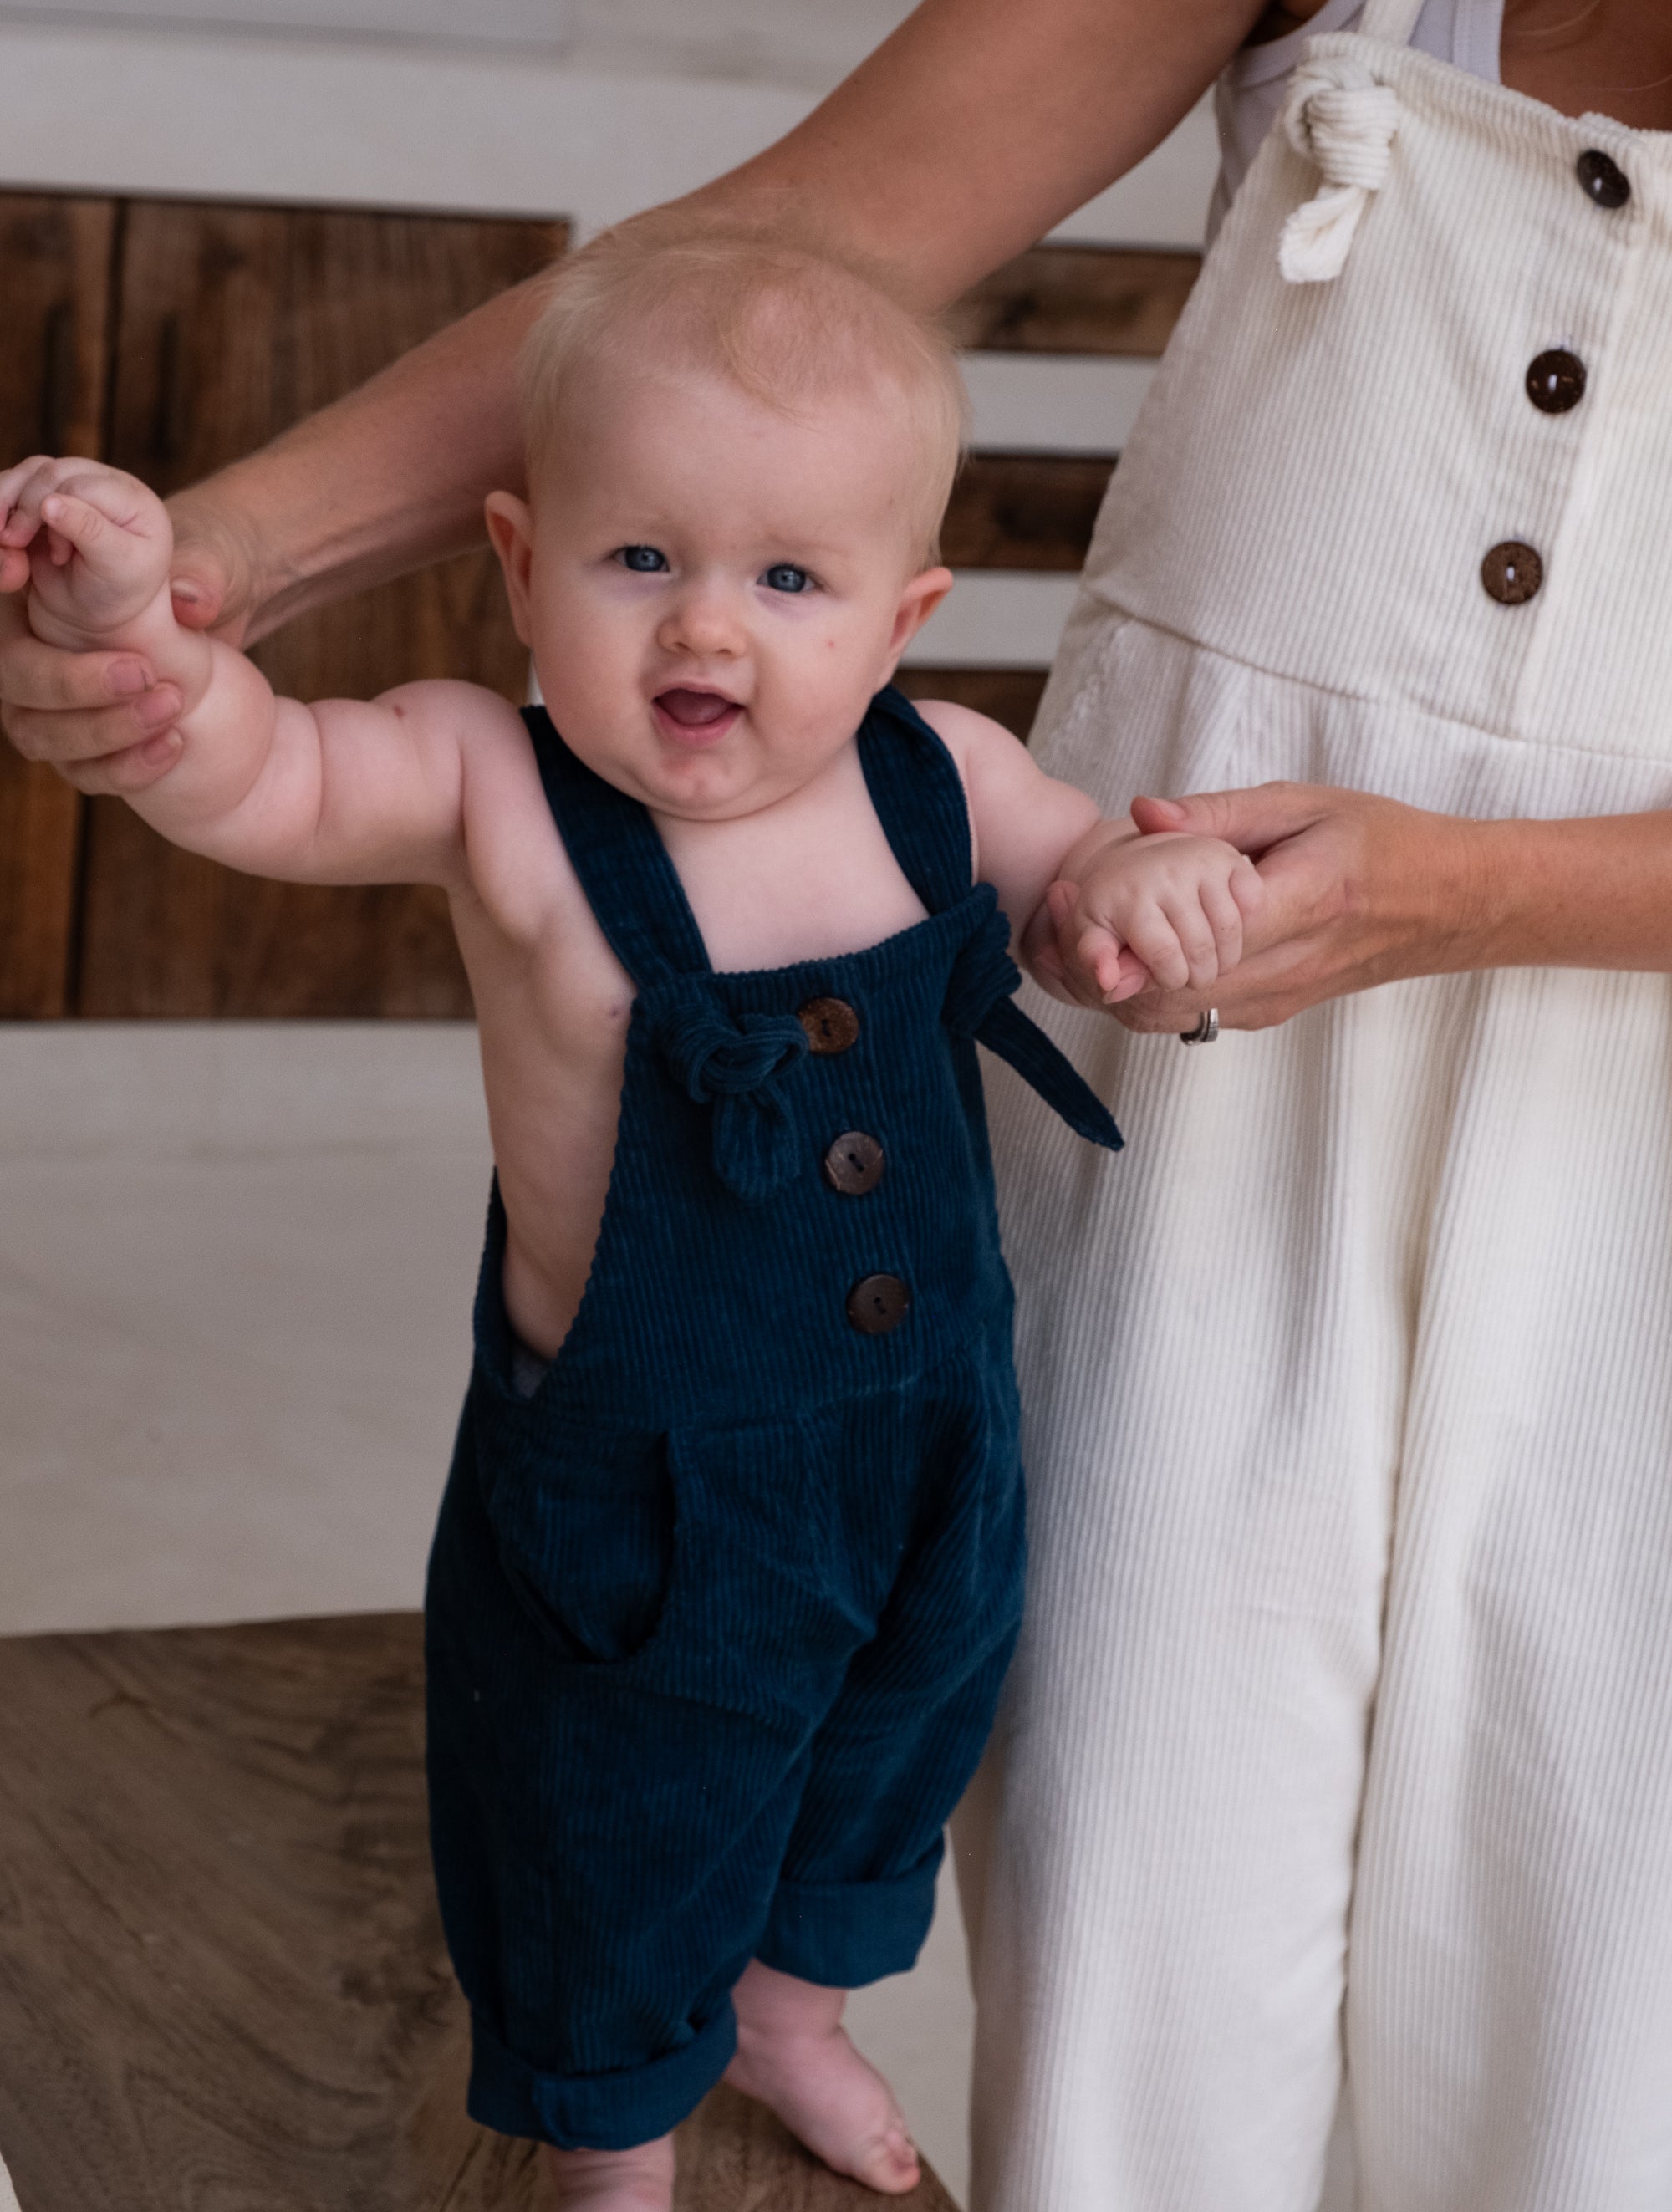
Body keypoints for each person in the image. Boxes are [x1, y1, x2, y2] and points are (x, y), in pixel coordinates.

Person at [8, 0, 1672, 2199]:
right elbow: (787, 253)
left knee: (1586, 2019)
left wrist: (1481, 888)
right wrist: (199, 586)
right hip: (1175, 1081)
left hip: (1620, 1117)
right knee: (1124, 1969)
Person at [0, 232, 1264, 2209]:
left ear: (900, 611)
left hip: (930, 1442)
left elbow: (1083, 898)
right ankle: (612, 2138)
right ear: (517, 561)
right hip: (639, 1503)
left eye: (787, 578)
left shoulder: (946, 773)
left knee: (894, 1744)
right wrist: (142, 642)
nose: (708, 631)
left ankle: (789, 2011)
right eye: (638, 560)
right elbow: (261, 772)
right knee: (613, 1810)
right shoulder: (486, 782)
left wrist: (1141, 892)